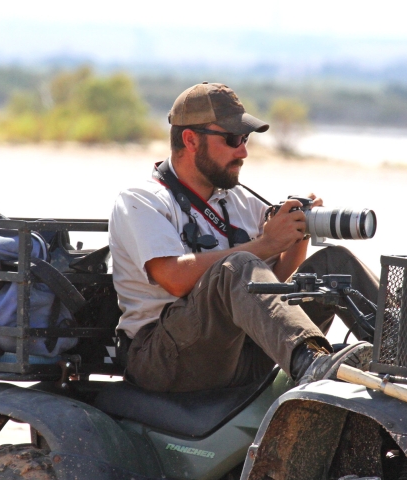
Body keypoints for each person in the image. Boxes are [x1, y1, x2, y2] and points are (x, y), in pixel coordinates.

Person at [109, 82, 378, 392]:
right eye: (232, 139)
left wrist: (298, 233)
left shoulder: (237, 200)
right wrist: (266, 244)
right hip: (164, 358)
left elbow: (271, 288)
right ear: (190, 139)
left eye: (245, 138)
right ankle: (313, 363)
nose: (244, 152)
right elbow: (173, 278)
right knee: (238, 266)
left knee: (334, 264)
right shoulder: (142, 199)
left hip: (238, 350)